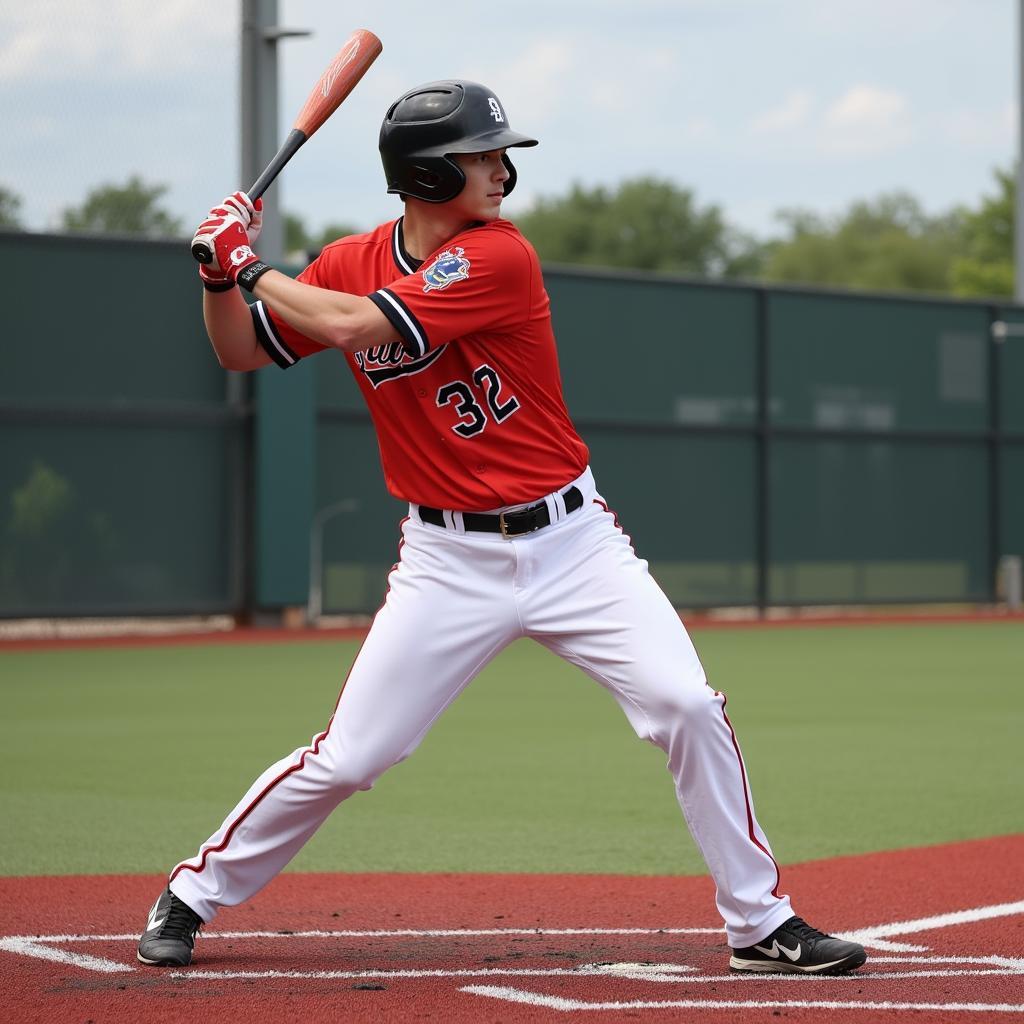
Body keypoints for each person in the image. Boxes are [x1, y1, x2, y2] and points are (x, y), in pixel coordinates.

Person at [137, 80, 866, 977]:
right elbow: (240, 349)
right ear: (427, 174)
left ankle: (760, 923)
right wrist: (219, 276)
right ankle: (192, 892)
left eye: (497, 153)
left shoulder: (500, 256)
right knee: (356, 754)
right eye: (480, 156)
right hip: (447, 559)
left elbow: (358, 323)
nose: (500, 169)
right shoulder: (345, 261)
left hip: (574, 544)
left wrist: (251, 265)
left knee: (685, 705)